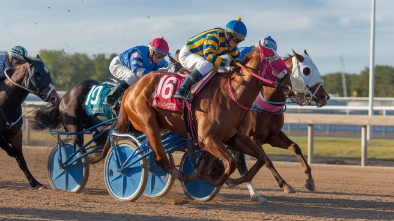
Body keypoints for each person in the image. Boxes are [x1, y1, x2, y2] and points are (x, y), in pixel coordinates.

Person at [173, 17, 247, 100]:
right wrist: (229, 63)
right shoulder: (214, 36)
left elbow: (239, 61)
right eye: (237, 40)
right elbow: (209, 57)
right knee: (208, 65)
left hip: (200, 57)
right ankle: (182, 90)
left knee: (223, 70)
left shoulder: (231, 45)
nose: (237, 44)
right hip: (187, 54)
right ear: (228, 35)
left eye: (240, 41)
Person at [104, 36, 171, 106]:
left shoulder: (159, 59)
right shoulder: (138, 53)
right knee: (134, 77)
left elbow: (169, 67)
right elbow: (137, 70)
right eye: (159, 55)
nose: (160, 59)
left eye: (163, 56)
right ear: (151, 51)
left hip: (135, 69)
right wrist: (154, 73)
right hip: (117, 65)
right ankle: (110, 98)